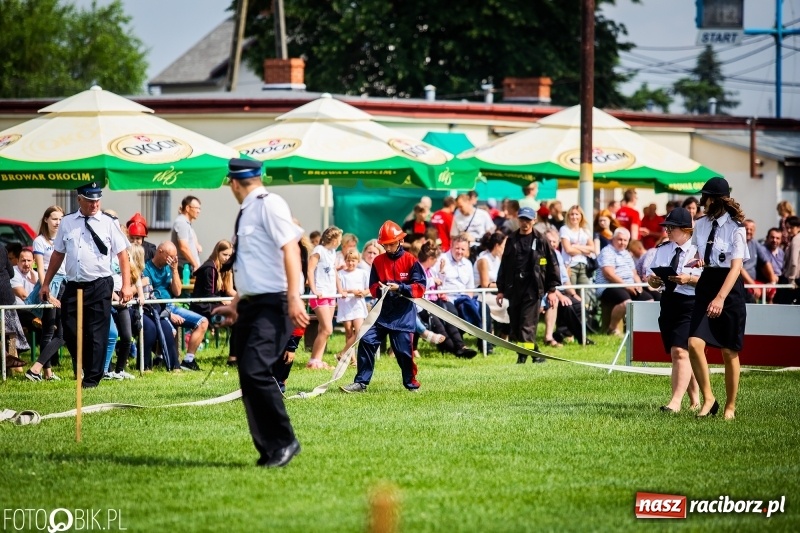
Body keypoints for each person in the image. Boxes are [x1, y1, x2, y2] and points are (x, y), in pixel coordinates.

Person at [211, 158, 308, 468]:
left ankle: (285, 441)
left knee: (255, 370)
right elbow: (254, 266)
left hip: (274, 303)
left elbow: (291, 249)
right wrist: (236, 304)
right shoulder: (247, 211)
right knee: (248, 376)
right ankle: (269, 448)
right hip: (252, 304)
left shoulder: (269, 204)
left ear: (234, 183)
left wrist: (294, 296)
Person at [39, 182, 132, 388]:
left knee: (98, 333)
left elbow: (123, 255)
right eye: (90, 200)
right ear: (79, 199)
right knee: (70, 331)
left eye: (97, 200)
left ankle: (91, 380)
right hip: (73, 285)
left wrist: (126, 285)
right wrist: (46, 283)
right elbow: (58, 254)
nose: (94, 204)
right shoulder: (68, 222)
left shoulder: (109, 223)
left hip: (100, 284)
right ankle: (89, 365)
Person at [341, 220, 426, 393]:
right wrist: (381, 290)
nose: (387, 248)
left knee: (403, 352)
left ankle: (411, 385)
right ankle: (361, 383)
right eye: (385, 245)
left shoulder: (411, 260)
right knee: (366, 340)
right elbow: (372, 287)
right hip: (382, 314)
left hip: (403, 315)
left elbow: (420, 287)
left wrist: (401, 288)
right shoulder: (378, 261)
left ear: (400, 241)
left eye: (391, 244)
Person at [688, 177, 748, 420]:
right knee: (693, 343)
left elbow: (736, 268)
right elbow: (699, 253)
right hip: (706, 283)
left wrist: (721, 298)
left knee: (728, 351)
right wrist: (698, 260)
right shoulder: (701, 225)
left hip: (729, 289)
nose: (702, 202)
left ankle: (730, 407)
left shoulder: (737, 228)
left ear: (715, 199)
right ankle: (709, 398)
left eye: (706, 197)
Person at [644, 207, 701, 413]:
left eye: (671, 227)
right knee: (681, 354)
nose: (667, 231)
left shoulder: (699, 250)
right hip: (668, 303)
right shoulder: (663, 249)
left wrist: (690, 279)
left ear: (686, 229)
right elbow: (652, 281)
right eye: (667, 227)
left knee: (679, 351)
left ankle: (675, 403)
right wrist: (653, 280)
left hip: (691, 305)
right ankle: (695, 400)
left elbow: (709, 281)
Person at [496, 206, 559, 364]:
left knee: (527, 324)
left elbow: (553, 264)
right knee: (516, 326)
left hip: (533, 288)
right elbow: (504, 265)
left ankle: (522, 357)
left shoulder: (541, 240)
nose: (524, 223)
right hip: (514, 288)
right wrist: (501, 290)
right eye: (522, 219)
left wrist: (552, 289)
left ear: (534, 220)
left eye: (528, 220)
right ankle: (536, 354)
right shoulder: (511, 239)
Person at [143, 241, 209, 371]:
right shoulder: (146, 269)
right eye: (170, 256)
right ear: (160, 252)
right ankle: (160, 358)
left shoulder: (169, 267)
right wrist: (168, 314)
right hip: (157, 308)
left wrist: (174, 271)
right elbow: (149, 297)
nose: (172, 259)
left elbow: (177, 292)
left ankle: (188, 360)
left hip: (171, 305)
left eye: (174, 257)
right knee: (170, 330)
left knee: (203, 322)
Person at [594, 227, 654, 336]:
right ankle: (612, 329)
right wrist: (627, 286)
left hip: (628, 285)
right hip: (609, 286)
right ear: (613, 239)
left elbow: (634, 273)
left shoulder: (626, 254)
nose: (622, 243)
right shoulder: (607, 252)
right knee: (627, 302)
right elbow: (609, 274)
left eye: (625, 240)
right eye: (620, 239)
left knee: (649, 301)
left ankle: (638, 330)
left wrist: (638, 284)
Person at [191, 240, 237, 365]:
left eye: (229, 255)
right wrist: (225, 302)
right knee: (236, 320)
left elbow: (229, 290)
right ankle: (233, 359)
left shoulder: (225, 268)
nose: (227, 258)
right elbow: (209, 296)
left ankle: (236, 357)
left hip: (213, 304)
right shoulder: (209, 268)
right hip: (202, 306)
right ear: (217, 253)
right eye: (224, 255)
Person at [307, 226, 342, 369]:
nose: (339, 241)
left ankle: (318, 361)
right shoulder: (318, 251)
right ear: (333, 239)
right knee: (328, 329)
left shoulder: (332, 252)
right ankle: (313, 360)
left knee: (323, 329)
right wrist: (314, 289)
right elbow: (310, 269)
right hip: (319, 293)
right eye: (339, 238)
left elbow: (334, 272)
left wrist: (340, 290)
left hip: (330, 293)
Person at [336, 249, 370, 361]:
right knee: (349, 332)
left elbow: (368, 288)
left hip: (358, 306)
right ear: (345, 261)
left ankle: (343, 352)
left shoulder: (362, 273)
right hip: (346, 306)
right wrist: (352, 291)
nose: (351, 263)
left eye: (353, 261)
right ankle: (352, 359)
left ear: (358, 261)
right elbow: (340, 289)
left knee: (360, 330)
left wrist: (363, 293)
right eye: (348, 260)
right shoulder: (341, 274)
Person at [740, 219, 776, 303]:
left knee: (771, 290)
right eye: (746, 229)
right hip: (741, 282)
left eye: (751, 229)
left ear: (754, 231)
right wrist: (753, 286)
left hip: (752, 282)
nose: (748, 231)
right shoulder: (739, 243)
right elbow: (739, 267)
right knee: (751, 297)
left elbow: (766, 261)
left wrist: (772, 281)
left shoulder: (755, 243)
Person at [559, 205, 594, 286]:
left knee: (585, 294)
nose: (574, 217)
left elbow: (592, 248)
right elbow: (568, 250)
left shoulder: (585, 230)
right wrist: (585, 251)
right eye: (572, 214)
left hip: (584, 265)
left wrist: (576, 246)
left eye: (576, 214)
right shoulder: (564, 229)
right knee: (571, 293)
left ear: (581, 216)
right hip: (570, 265)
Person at [171, 196, 202, 273]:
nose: (199, 211)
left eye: (199, 208)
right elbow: (183, 247)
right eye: (196, 208)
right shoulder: (182, 223)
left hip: (188, 267)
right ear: (188, 208)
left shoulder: (186, 223)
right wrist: (195, 265)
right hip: (184, 268)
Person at [775, 216, 800, 305]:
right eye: (787, 228)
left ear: (798, 227)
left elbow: (794, 262)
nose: (789, 230)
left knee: (782, 304)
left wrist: (791, 280)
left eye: (792, 228)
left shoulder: (796, 240)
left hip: (793, 278)